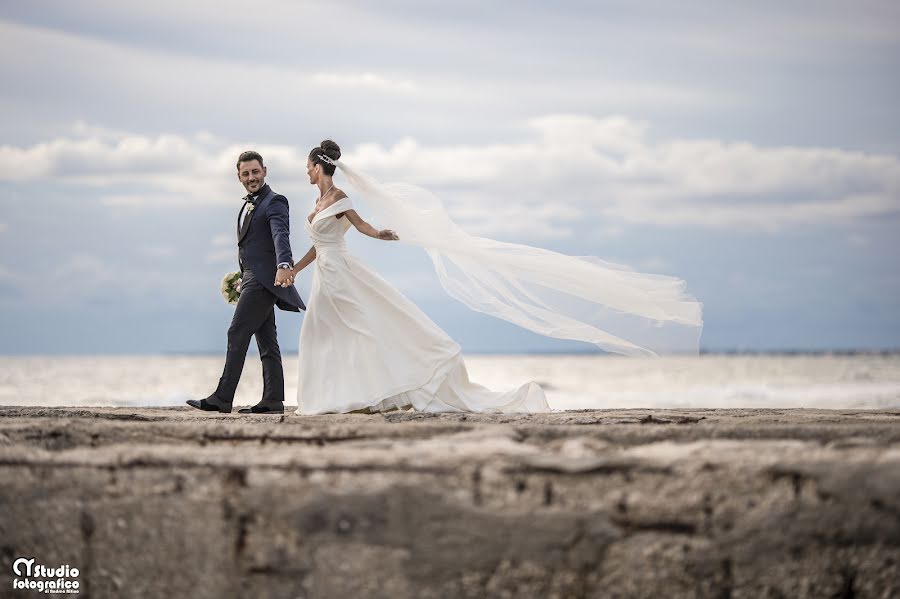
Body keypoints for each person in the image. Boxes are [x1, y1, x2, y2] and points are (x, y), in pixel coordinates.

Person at [187, 151, 305, 415]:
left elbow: (280, 234)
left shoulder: (275, 201)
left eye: (255, 172)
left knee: (237, 332)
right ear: (239, 176)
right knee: (266, 339)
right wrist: (243, 275)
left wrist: (284, 264)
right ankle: (273, 400)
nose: (251, 177)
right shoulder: (249, 203)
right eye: (245, 174)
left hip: (264, 280)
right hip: (252, 277)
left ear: (265, 170)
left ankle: (222, 397)